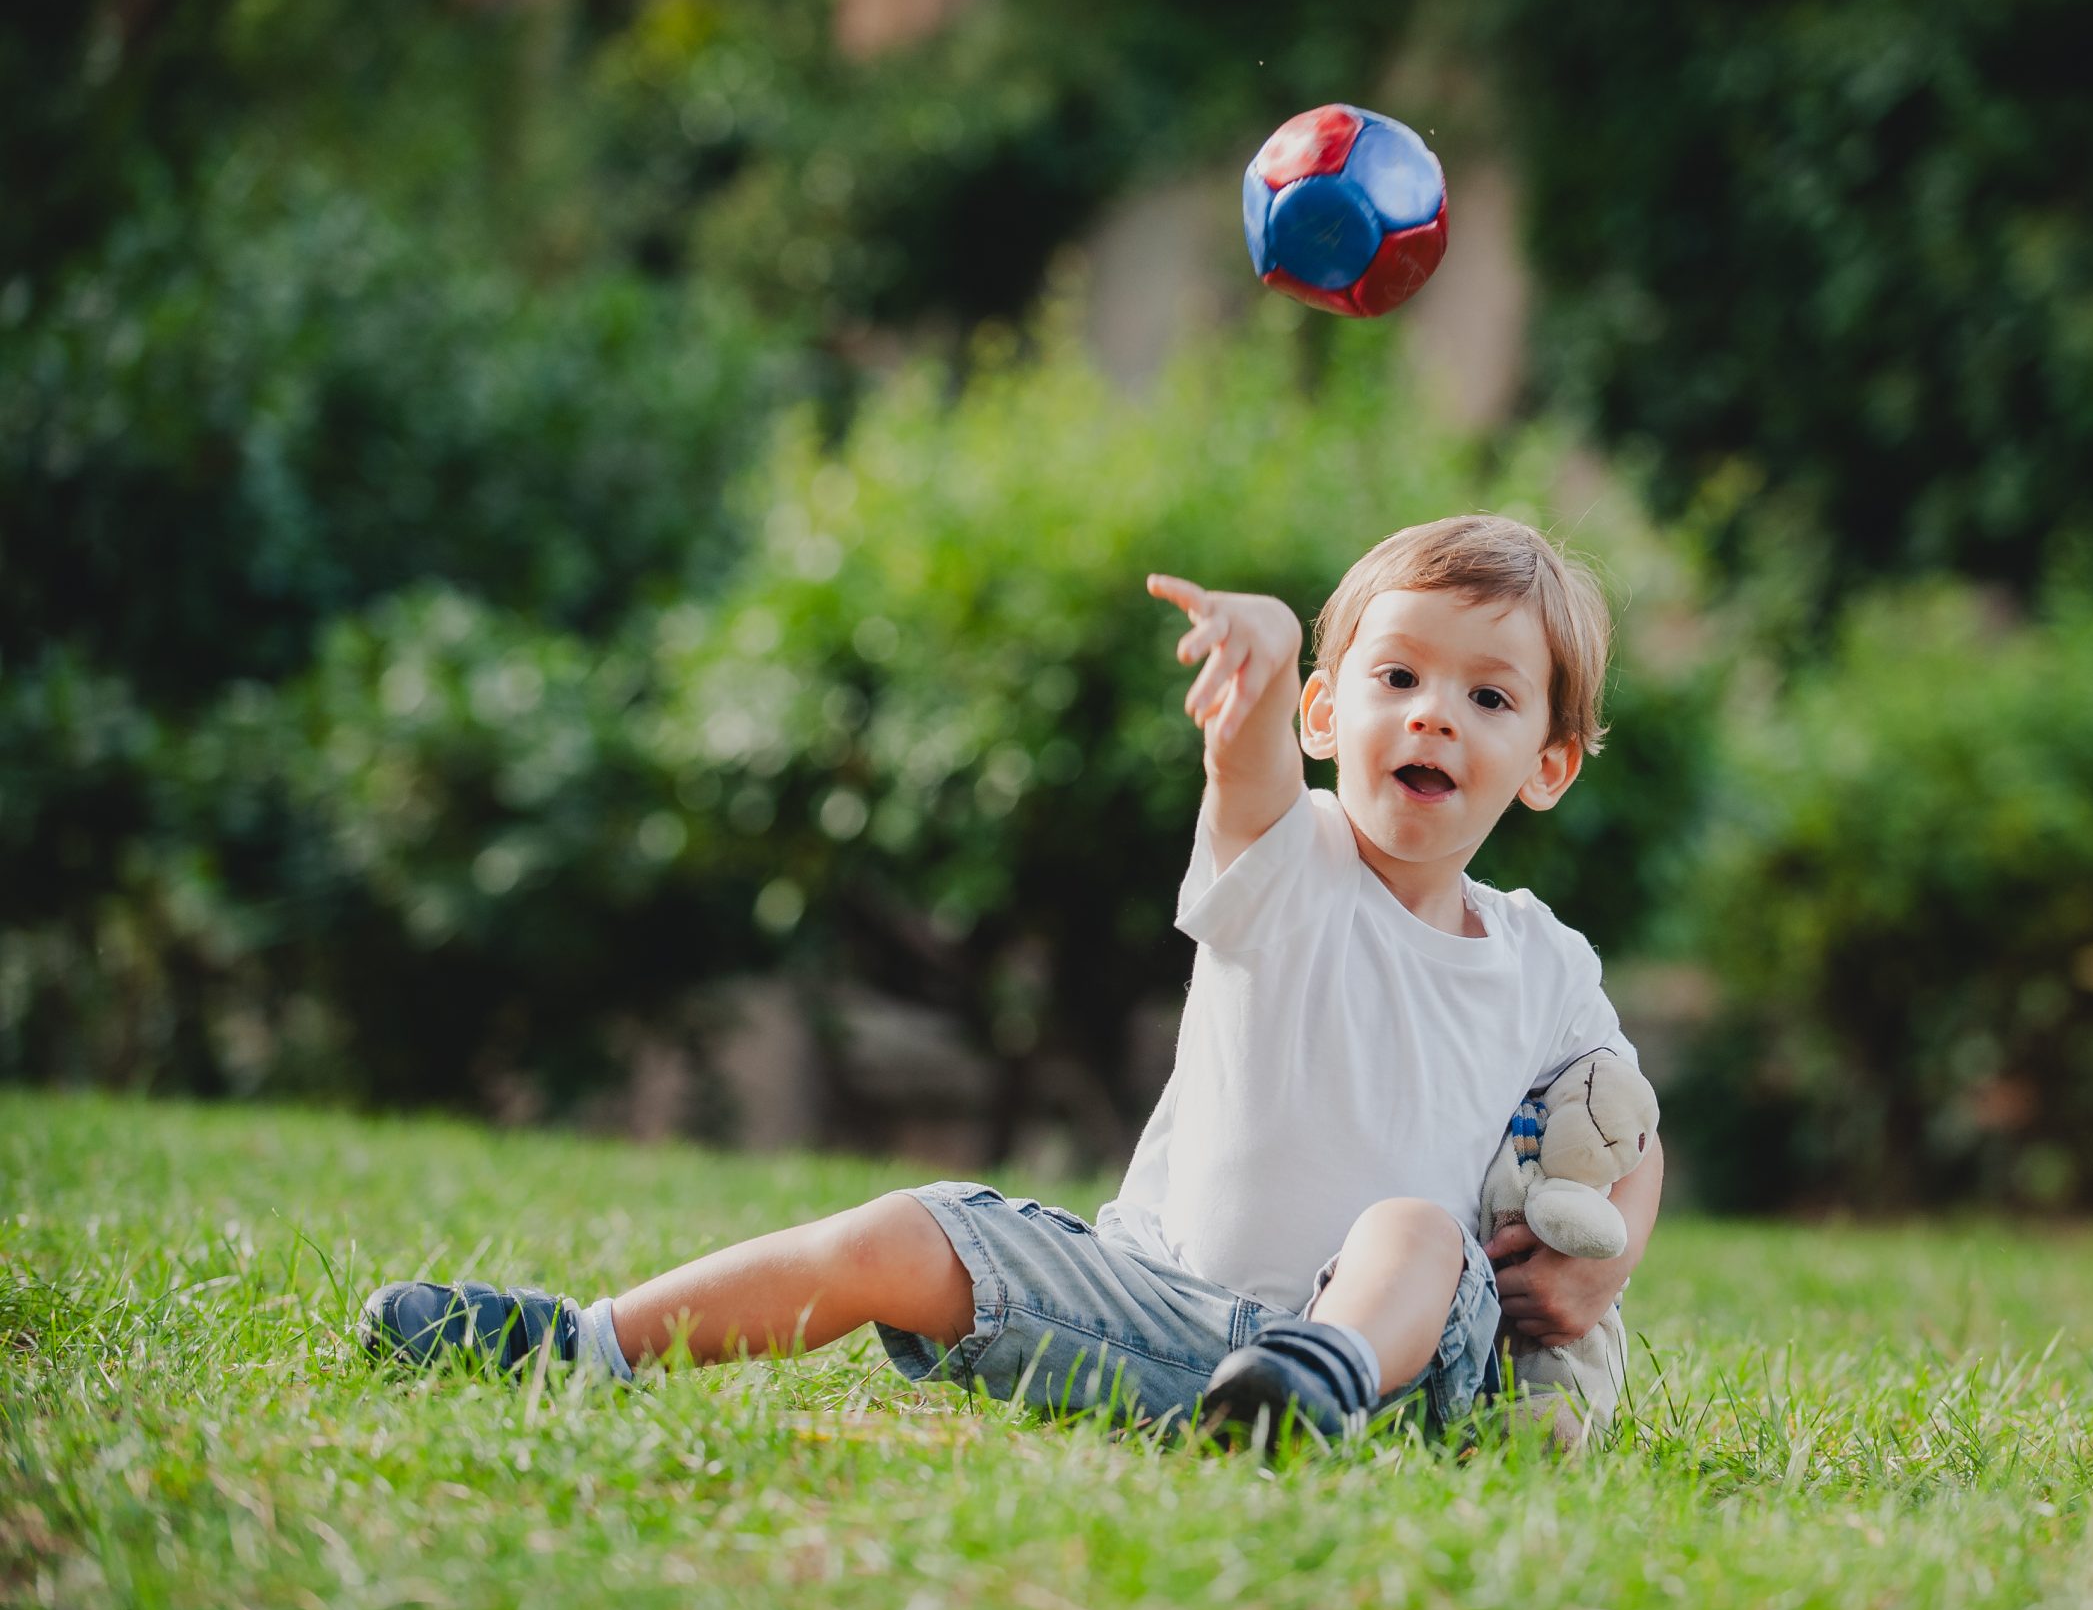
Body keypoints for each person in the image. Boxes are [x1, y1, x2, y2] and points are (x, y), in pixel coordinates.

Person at [360, 513, 1663, 1443]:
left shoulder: (1543, 960)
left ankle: (1311, 1387)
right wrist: (1258, 662)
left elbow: (1627, 1125)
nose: (1434, 712)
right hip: (1155, 1308)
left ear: (1547, 766)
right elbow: (1250, 777)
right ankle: (587, 1342)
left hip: (1401, 1363)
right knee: (901, 1228)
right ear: (1328, 717)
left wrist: (1611, 1262)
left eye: (1490, 699)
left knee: (1413, 1230)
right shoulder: (1297, 860)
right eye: (1398, 677)